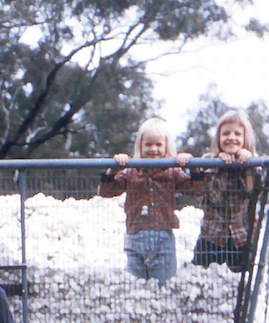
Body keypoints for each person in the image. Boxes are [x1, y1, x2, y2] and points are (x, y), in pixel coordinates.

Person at [97, 117, 191, 286]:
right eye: (148, 144)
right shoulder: (131, 171)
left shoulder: (172, 172)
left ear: (166, 146)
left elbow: (196, 189)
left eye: (158, 145)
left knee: (164, 289)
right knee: (136, 290)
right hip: (135, 235)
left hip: (163, 237)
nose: (153, 149)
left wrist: (193, 167)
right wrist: (113, 169)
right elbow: (105, 191)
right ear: (140, 146)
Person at [188, 109, 260, 273]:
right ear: (219, 138)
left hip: (240, 237)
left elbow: (252, 191)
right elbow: (214, 196)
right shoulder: (209, 160)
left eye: (237, 134)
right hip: (212, 235)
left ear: (245, 139)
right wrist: (220, 168)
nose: (231, 138)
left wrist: (247, 166)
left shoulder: (253, 161)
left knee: (239, 284)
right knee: (200, 278)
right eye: (226, 133)